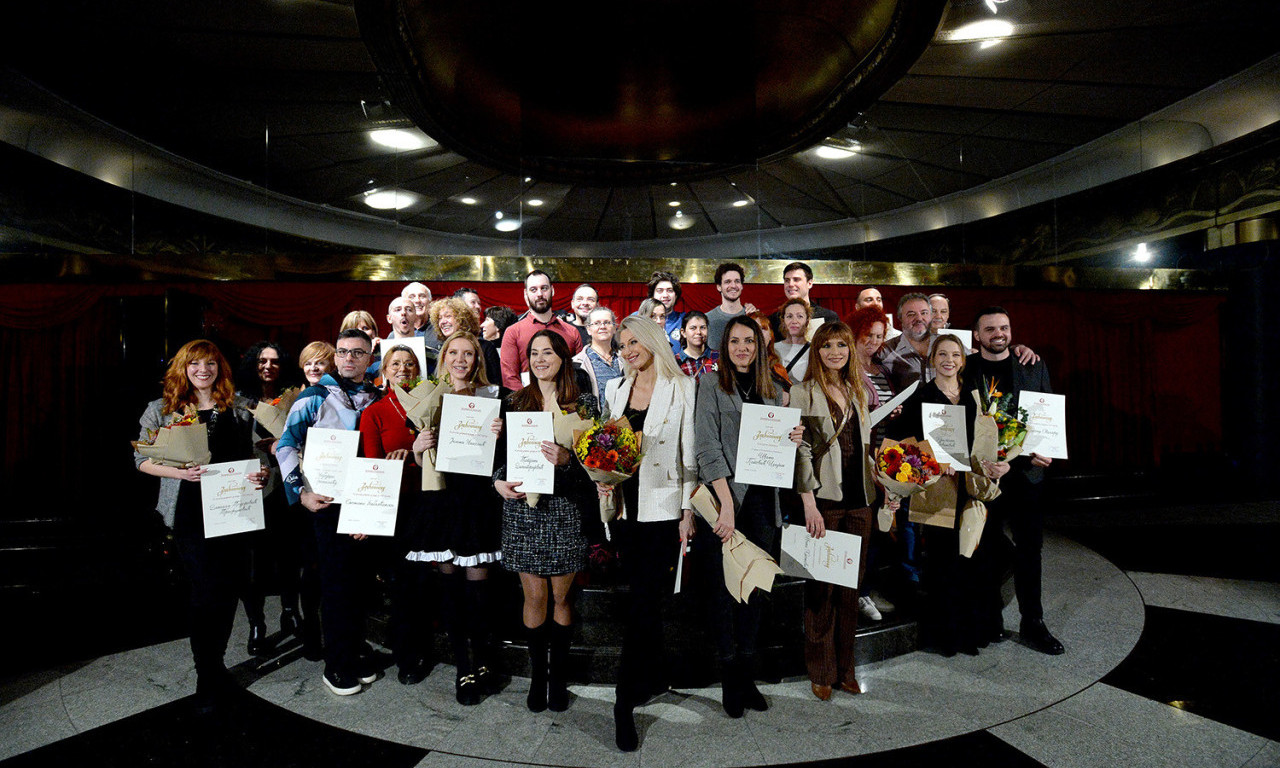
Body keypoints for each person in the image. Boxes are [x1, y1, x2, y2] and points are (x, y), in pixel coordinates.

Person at [134, 340, 267, 713]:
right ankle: (205, 674)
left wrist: (263, 473)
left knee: (226, 592)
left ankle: (217, 663)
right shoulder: (162, 410)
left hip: (233, 510)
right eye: (195, 363)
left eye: (210, 363)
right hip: (190, 513)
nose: (203, 370)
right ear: (183, 367)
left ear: (219, 368)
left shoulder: (238, 408)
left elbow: (258, 454)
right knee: (204, 592)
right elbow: (139, 460)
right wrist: (177, 472)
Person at [694, 316, 802, 719]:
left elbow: (779, 454)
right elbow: (706, 446)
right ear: (724, 347)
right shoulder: (709, 383)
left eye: (749, 342)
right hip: (727, 504)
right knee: (725, 594)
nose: (742, 348)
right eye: (735, 341)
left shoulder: (771, 391)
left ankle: (747, 676)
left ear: (759, 347)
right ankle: (728, 680)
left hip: (763, 506)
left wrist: (792, 439)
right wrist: (724, 503)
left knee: (755, 591)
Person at [602, 317, 698, 752]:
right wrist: (603, 477)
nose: (628, 350)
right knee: (642, 601)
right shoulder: (616, 391)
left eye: (634, 341)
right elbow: (607, 447)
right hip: (624, 512)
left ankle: (623, 703)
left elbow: (689, 454)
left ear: (654, 340)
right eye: (622, 345)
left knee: (644, 601)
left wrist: (686, 511)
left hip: (661, 513)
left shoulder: (682, 387)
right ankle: (649, 679)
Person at [494, 330, 598, 714]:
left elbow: (597, 468)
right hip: (523, 509)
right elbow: (500, 460)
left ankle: (559, 679)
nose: (540, 360)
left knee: (560, 597)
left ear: (562, 358)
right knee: (533, 597)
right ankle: (538, 677)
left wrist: (568, 460)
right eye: (533, 353)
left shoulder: (582, 404)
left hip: (565, 510)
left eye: (548, 353)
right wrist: (498, 483)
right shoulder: (515, 401)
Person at [277, 329, 384, 696]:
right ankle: (336, 663)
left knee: (361, 583)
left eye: (358, 352)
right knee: (336, 585)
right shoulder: (314, 396)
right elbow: (285, 444)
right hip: (326, 503)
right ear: (335, 357)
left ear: (370, 357)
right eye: (342, 352)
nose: (349, 358)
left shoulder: (378, 397)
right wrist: (301, 494)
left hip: (368, 500)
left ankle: (354, 649)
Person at [408, 332, 505, 703]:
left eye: (468, 353)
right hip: (443, 502)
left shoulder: (490, 397)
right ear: (444, 357)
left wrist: (499, 435)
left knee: (479, 590)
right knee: (450, 591)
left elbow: (499, 461)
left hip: (478, 502)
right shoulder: (429, 396)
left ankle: (483, 660)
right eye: (454, 353)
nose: (461, 359)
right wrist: (418, 448)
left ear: (477, 359)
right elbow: (423, 461)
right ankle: (463, 666)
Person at [792, 322, 888, 700]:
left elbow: (865, 447)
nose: (835, 352)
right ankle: (821, 669)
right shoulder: (803, 392)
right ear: (816, 351)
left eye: (841, 345)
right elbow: (800, 452)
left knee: (850, 590)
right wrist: (809, 503)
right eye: (827, 346)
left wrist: (885, 486)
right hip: (825, 503)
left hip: (860, 502)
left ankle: (846, 668)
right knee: (822, 590)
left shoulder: (858, 390)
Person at [964, 307, 1064, 656]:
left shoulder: (1032, 364)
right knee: (987, 548)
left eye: (1004, 327)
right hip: (985, 474)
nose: (999, 334)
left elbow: (1045, 413)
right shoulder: (966, 369)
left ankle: (1032, 621)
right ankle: (990, 618)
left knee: (1029, 551)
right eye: (990, 329)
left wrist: (1044, 450)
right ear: (976, 335)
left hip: (1025, 474)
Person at [890, 334, 997, 656]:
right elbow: (902, 444)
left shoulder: (977, 399)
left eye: (955, 354)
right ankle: (947, 636)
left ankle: (971, 631)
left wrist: (995, 462)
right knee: (941, 563)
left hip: (971, 489)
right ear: (932, 359)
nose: (949, 360)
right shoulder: (922, 397)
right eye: (942, 354)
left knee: (971, 560)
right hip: (937, 491)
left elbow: (990, 440)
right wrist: (934, 461)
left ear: (963, 360)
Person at [356, 345, 434, 686]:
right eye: (396, 364)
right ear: (384, 371)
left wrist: (415, 454)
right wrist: (398, 456)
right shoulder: (374, 412)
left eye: (410, 364)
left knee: (425, 583)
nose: (403, 369)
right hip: (397, 509)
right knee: (403, 585)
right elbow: (374, 464)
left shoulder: (431, 405)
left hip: (430, 504)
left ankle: (427, 645)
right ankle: (408, 655)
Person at [233, 341, 299, 658]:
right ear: (252, 363)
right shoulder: (235, 399)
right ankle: (256, 623)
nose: (268, 366)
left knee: (288, 555)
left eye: (275, 361)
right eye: (262, 360)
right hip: (249, 487)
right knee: (252, 564)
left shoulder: (293, 396)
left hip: (284, 483)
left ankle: (290, 610)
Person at [848, 306, 899, 620]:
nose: (874, 342)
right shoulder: (847, 366)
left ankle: (868, 588)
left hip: (885, 457)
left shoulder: (882, 368)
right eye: (869, 335)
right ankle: (857, 594)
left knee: (881, 530)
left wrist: (893, 411)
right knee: (861, 531)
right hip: (859, 459)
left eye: (880, 337)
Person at [499, 270, 585, 390]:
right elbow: (509, 378)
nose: (539, 294)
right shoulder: (513, 332)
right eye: (533, 290)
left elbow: (579, 375)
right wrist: (529, 403)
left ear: (552, 290)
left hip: (566, 403)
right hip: (526, 404)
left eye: (544, 288)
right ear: (525, 294)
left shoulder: (571, 332)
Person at [431, 295, 500, 386]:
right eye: (440, 318)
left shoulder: (485, 347)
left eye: (448, 316)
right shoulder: (441, 347)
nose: (443, 322)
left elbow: (496, 384)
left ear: (462, 318)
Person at [769, 261, 838, 337]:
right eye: (787, 280)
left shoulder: (828, 317)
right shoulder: (775, 319)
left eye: (796, 279)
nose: (790, 284)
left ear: (809, 283)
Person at [572, 306, 622, 407]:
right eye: (597, 323)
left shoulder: (625, 359)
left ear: (614, 328)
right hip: (595, 421)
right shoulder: (577, 364)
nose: (602, 326)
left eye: (607, 322)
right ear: (588, 329)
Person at [705, 262, 758, 348]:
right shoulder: (707, 319)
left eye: (737, 281)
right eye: (727, 282)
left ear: (741, 286)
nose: (733, 285)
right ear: (719, 287)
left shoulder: (753, 316)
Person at [746, 310, 793, 400]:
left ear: (770, 336)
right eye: (754, 329)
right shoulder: (734, 368)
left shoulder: (778, 369)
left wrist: (789, 397)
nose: (759, 333)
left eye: (763, 329)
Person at [644, 270, 685, 352]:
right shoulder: (638, 318)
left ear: (676, 295)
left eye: (670, 290)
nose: (665, 295)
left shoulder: (685, 320)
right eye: (660, 290)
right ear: (652, 295)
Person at [774, 298, 813, 384]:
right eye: (789, 316)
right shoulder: (773, 349)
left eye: (800, 316)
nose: (794, 321)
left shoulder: (814, 350)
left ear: (807, 321)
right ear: (783, 320)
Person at [676, 311, 718, 380]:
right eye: (693, 328)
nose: (698, 332)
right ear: (683, 332)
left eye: (702, 328)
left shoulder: (718, 358)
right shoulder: (675, 362)